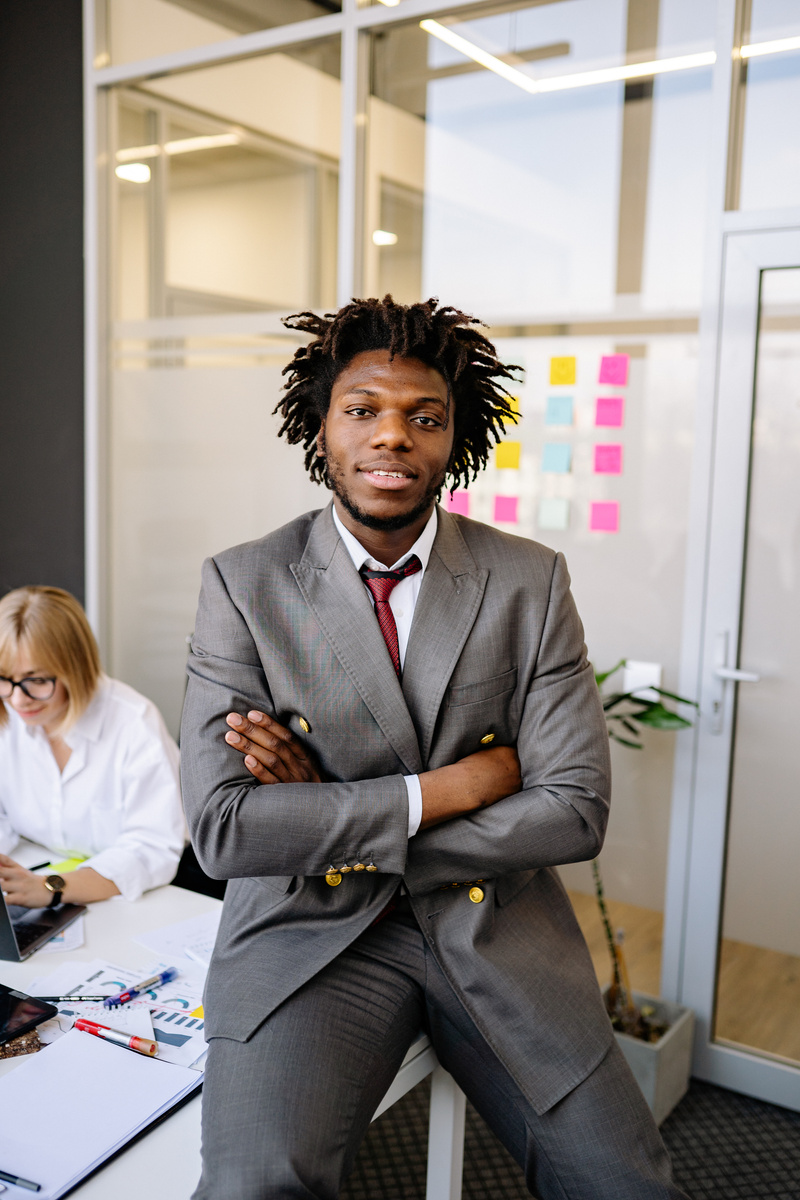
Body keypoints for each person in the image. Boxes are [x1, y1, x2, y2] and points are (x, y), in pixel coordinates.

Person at [181, 297, 688, 1199]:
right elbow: (225, 831)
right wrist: (455, 786)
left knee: (627, 1183)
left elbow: (573, 809)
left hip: (497, 927)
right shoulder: (244, 583)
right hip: (310, 938)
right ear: (320, 427)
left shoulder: (528, 579)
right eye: (363, 411)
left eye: (425, 417)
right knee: (253, 1184)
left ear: (455, 437)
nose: (393, 438)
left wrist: (325, 811)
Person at [0, 586, 185, 907]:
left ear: (75, 668)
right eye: (5, 678)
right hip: (40, 873)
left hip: (133, 903)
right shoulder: (10, 716)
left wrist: (50, 888)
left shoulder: (134, 723)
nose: (18, 699)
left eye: (38, 680)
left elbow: (152, 848)